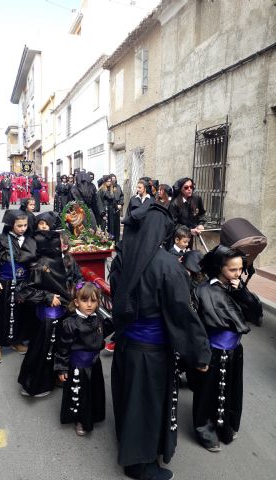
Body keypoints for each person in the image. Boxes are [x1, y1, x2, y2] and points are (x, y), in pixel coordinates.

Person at [110, 200, 211, 480]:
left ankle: (131, 447)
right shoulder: (166, 265)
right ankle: (139, 465)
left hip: (128, 344)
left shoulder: (122, 257)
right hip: (150, 350)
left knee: (130, 399)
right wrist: (199, 353)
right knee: (145, 405)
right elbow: (181, 314)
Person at [188, 245, 262, 452]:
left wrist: (242, 292)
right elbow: (195, 327)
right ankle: (204, 429)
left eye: (240, 269)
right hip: (212, 351)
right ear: (220, 267)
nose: (237, 274)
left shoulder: (238, 289)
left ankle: (226, 426)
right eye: (233, 269)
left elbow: (256, 315)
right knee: (205, 394)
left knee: (231, 389)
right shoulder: (202, 291)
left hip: (234, 351)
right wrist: (200, 356)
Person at [17, 212, 81, 397]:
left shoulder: (69, 260)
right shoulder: (41, 262)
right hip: (49, 314)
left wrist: (77, 290)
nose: (60, 244)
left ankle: (59, 375)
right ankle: (38, 384)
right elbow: (25, 290)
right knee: (44, 348)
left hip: (67, 311)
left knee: (63, 347)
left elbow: (78, 278)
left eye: (63, 241)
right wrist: (47, 297)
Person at [55, 282, 113, 436]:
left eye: (93, 301)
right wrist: (62, 367)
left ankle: (94, 414)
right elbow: (63, 348)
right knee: (81, 395)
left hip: (94, 364)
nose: (89, 305)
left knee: (94, 391)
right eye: (85, 300)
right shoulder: (70, 323)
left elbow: (103, 331)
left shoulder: (98, 318)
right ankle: (80, 419)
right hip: (78, 367)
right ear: (76, 302)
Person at [0, 210, 37, 364]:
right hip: (6, 282)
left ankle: (16, 340)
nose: (22, 228)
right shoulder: (1, 240)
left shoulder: (30, 239)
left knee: (21, 313)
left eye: (25, 225)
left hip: (25, 282)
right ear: (11, 225)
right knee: (2, 313)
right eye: (19, 225)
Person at [96, 176, 121, 241]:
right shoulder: (100, 191)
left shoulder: (112, 190)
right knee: (104, 227)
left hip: (111, 211)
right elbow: (99, 203)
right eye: (107, 181)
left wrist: (116, 208)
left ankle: (111, 242)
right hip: (105, 211)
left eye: (110, 181)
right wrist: (103, 213)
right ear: (104, 182)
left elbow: (114, 200)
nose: (109, 183)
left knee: (111, 227)